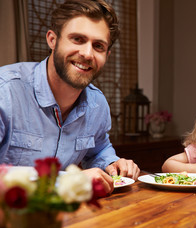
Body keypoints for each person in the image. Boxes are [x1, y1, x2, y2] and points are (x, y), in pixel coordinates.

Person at [0, 0, 140, 194]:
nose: (87, 53)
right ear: (52, 39)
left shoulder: (97, 104)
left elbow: (98, 149)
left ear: (107, 54)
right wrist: (70, 180)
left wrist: (112, 163)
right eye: (78, 39)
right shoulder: (4, 91)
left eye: (98, 46)